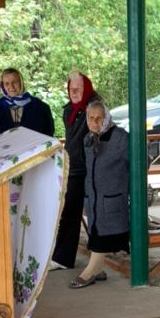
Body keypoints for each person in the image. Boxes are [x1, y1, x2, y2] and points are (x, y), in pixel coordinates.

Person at [71, 98, 129, 289]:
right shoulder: (88, 139)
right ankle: (98, 269)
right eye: (91, 118)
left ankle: (91, 270)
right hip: (94, 200)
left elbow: (140, 163)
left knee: (101, 237)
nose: (95, 122)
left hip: (112, 199)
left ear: (107, 118)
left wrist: (126, 186)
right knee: (95, 233)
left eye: (99, 118)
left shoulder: (120, 137)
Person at [52, 69, 96, 269]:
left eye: (79, 89)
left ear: (87, 89)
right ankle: (63, 257)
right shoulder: (70, 109)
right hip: (74, 165)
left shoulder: (94, 107)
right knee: (68, 210)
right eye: (72, 89)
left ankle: (69, 258)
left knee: (81, 210)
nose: (75, 92)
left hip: (90, 166)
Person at [0, 67, 54, 139]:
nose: (11, 86)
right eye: (7, 83)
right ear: (3, 86)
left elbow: (48, 135)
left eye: (14, 82)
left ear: (21, 83)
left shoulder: (41, 107)